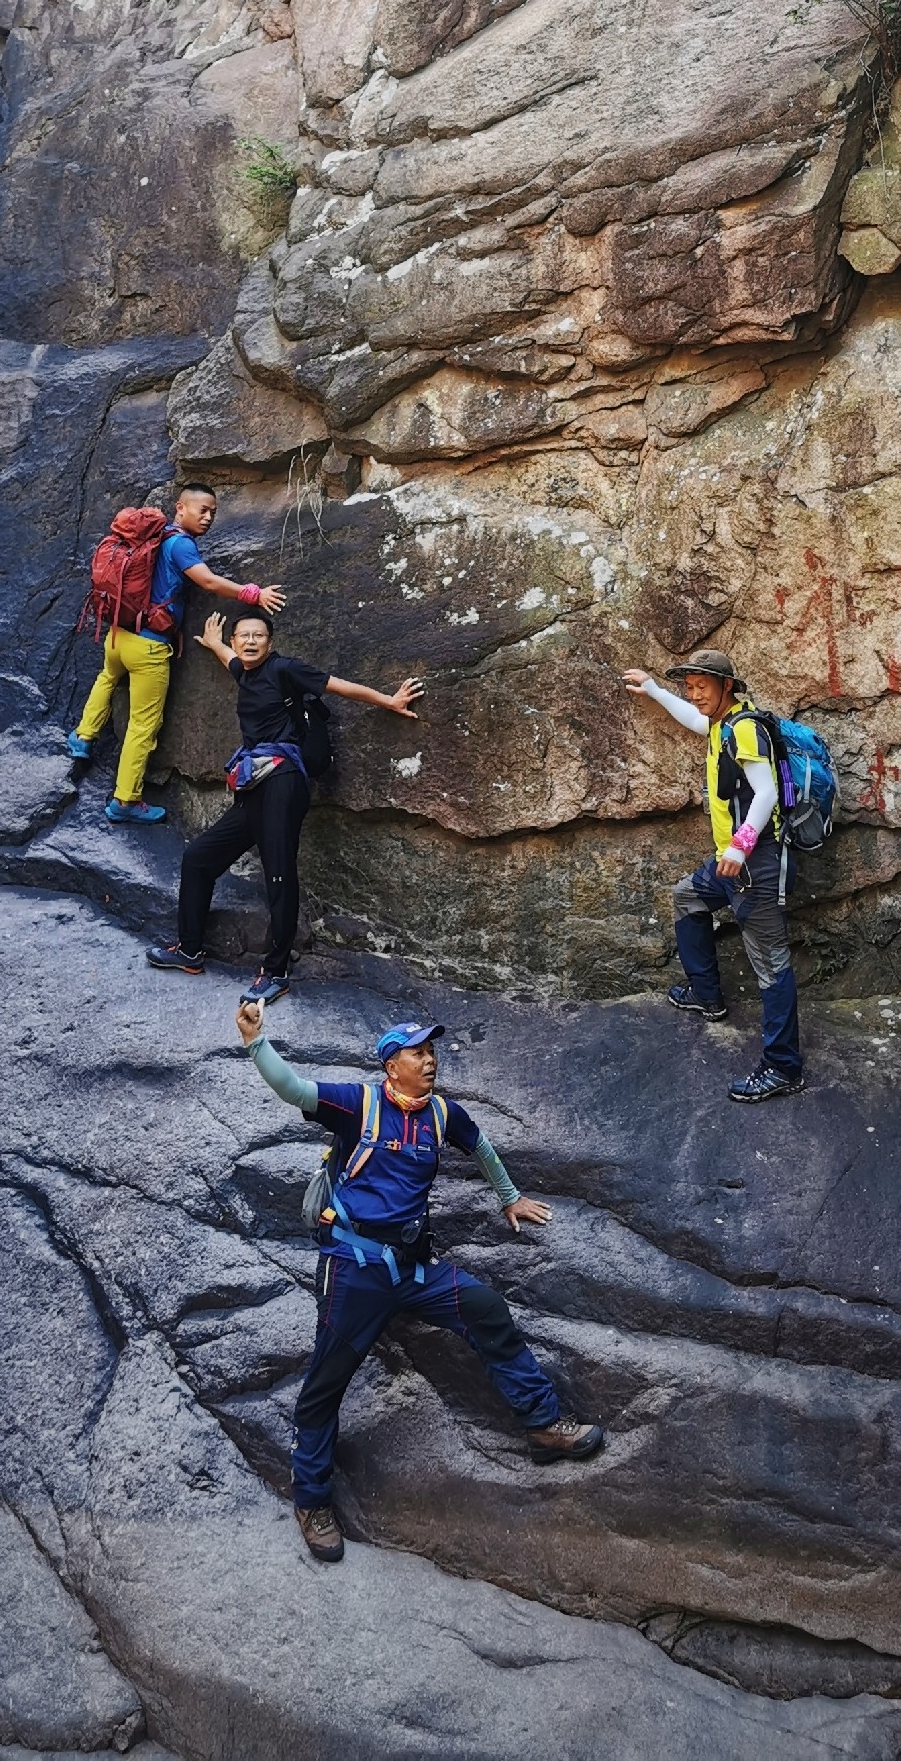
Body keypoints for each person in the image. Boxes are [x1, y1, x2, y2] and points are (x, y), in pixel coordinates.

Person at [236, 995, 604, 1561]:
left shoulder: (440, 1114)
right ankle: (311, 1499)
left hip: (413, 1269)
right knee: (325, 1386)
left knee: (487, 1310)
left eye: (432, 1051)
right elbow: (295, 1089)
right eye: (417, 1053)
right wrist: (256, 1041)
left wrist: (510, 1198)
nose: (430, 1060)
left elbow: (478, 1143)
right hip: (354, 1269)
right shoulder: (359, 1104)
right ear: (392, 1066)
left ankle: (543, 1425)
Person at [146, 608, 423, 1000]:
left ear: (270, 643)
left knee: (278, 874)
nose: (250, 641)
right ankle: (190, 950)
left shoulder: (284, 669)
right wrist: (212, 644)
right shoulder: (246, 671)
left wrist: (389, 701)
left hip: (283, 782)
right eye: (243, 636)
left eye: (258, 635)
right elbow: (234, 663)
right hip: (255, 785)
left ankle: (274, 973)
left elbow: (338, 686)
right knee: (199, 858)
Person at [623, 649, 804, 1102]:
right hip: (730, 862)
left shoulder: (744, 729)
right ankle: (707, 995)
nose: (695, 693)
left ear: (728, 686)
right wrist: (656, 692)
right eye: (690, 685)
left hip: (754, 864)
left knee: (772, 966)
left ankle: (783, 1067)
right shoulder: (723, 724)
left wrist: (741, 846)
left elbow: (766, 793)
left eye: (703, 685)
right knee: (688, 897)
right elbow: (694, 719)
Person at [68, 483, 285, 825]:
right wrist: (252, 594)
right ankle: (125, 800)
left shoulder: (153, 537)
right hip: (149, 646)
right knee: (143, 725)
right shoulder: (180, 544)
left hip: (119, 634)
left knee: (107, 678)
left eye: (213, 511)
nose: (209, 517)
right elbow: (208, 582)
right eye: (203, 510)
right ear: (180, 508)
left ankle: (82, 737)